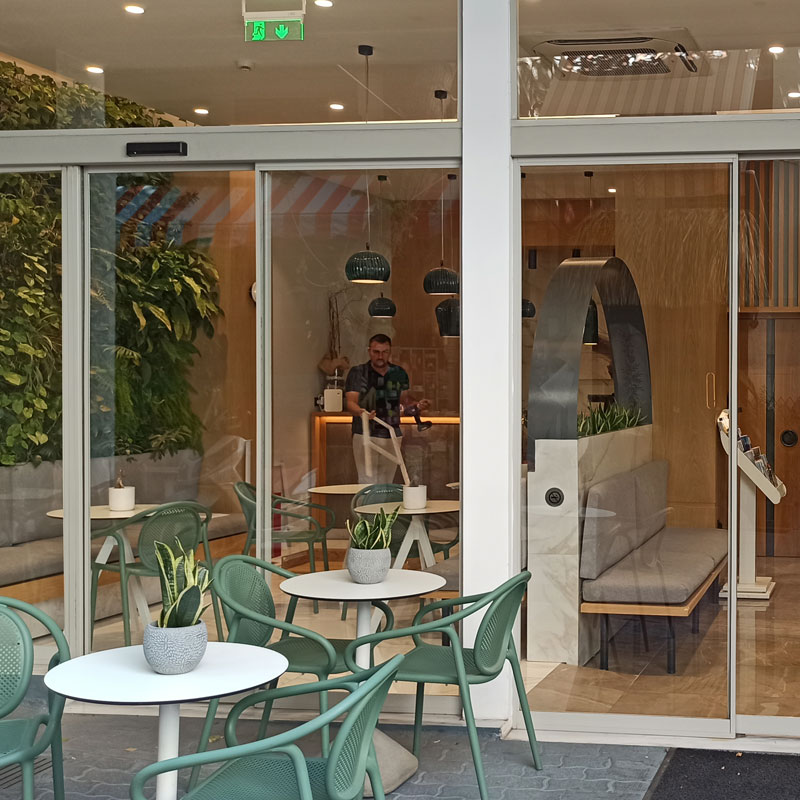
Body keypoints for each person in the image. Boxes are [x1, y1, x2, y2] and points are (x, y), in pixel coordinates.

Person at [345, 333, 430, 483]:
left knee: (387, 481)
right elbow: (351, 402)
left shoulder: (399, 373)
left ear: (390, 352)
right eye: (376, 352)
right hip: (365, 431)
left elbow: (404, 401)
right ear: (369, 351)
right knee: (367, 482)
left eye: (384, 352)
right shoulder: (358, 372)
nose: (380, 356)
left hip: (392, 432)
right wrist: (361, 412)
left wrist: (417, 405)